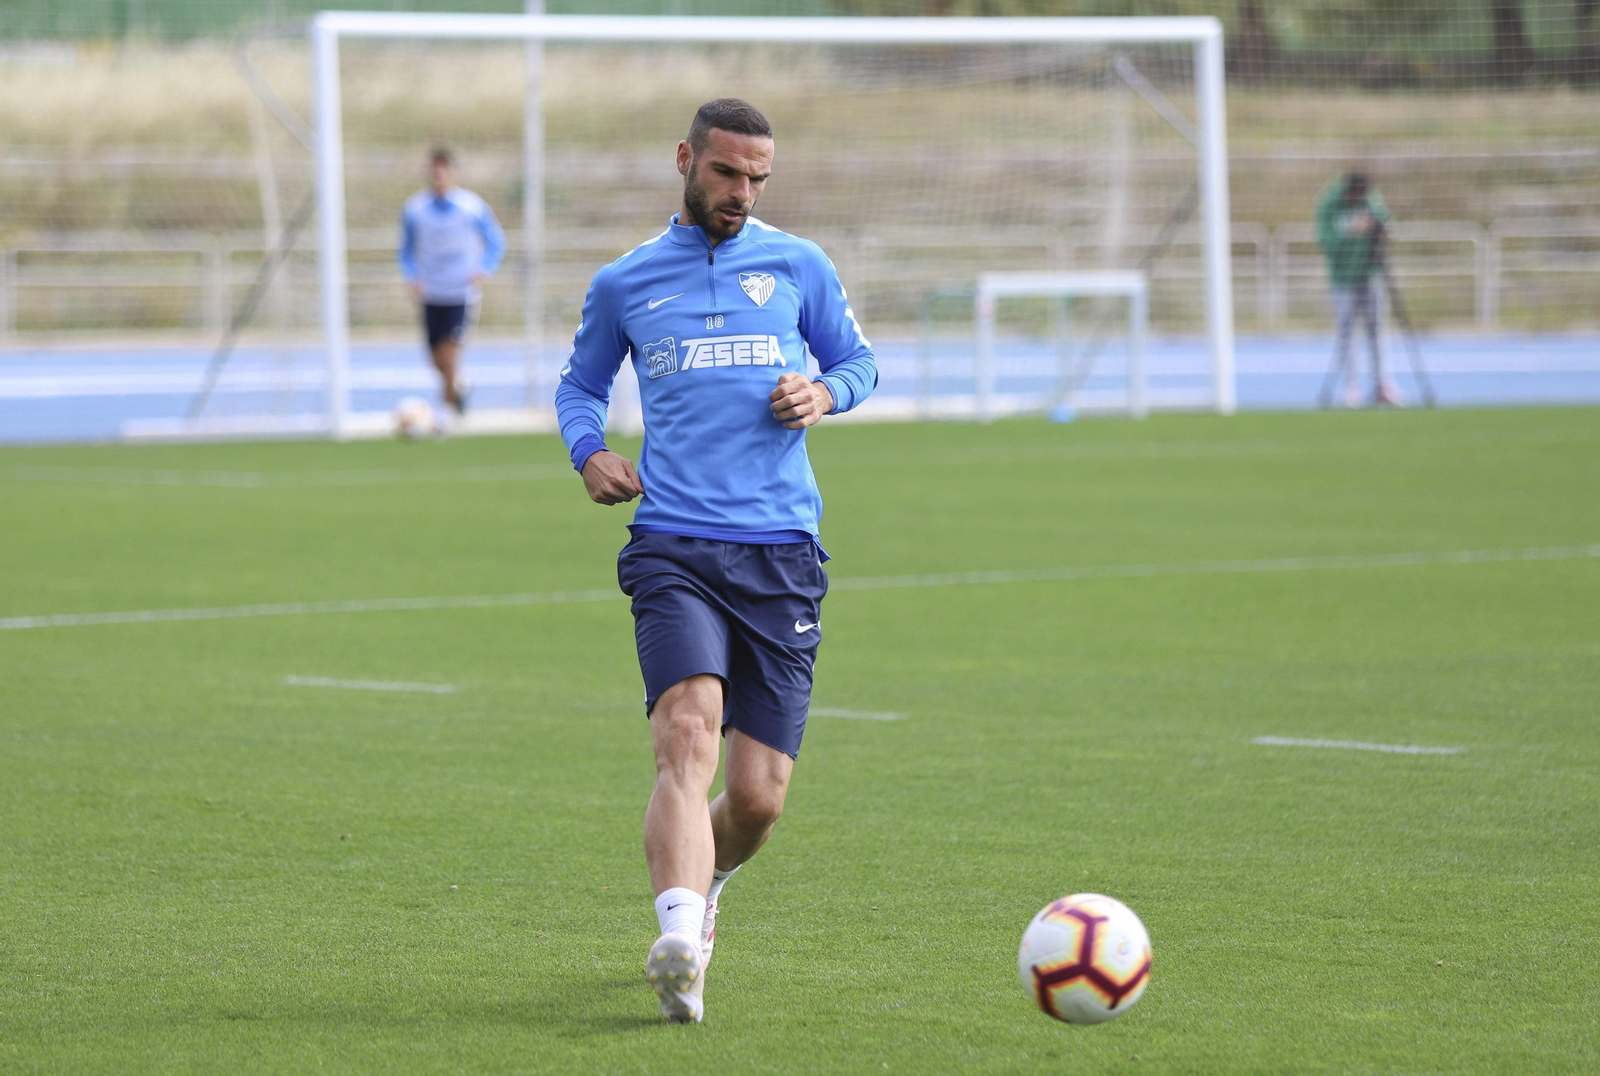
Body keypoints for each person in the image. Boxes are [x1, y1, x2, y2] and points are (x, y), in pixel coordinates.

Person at [554, 98, 877, 1024]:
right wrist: (589, 453)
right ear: (688, 160)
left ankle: (712, 881)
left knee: (759, 799)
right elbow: (581, 385)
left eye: (758, 180)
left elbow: (859, 362)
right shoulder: (625, 282)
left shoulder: (798, 264)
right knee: (687, 735)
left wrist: (822, 391)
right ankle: (679, 939)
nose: (742, 193)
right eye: (728, 174)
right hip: (674, 545)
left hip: (780, 551)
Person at [398, 147, 505, 419]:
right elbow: (406, 250)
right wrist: (413, 278)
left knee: (449, 354)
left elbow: (495, 240)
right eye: (435, 172)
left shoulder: (471, 206)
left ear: (453, 174)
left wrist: (484, 269)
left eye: (444, 172)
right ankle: (459, 386)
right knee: (436, 359)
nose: (439, 177)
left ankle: (444, 415)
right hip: (431, 292)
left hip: (461, 292)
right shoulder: (415, 209)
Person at [1315, 170, 1399, 406]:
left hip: (1370, 275)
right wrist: (1351, 231)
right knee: (1347, 333)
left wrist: (1382, 231)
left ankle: (1383, 384)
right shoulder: (1329, 204)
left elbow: (1387, 226)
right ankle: (1351, 386)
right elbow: (1326, 242)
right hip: (1343, 278)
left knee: (1377, 330)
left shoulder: (1371, 199)